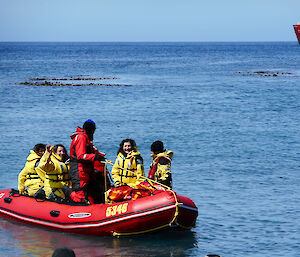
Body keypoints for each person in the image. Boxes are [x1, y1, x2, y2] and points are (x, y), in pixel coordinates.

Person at [68, 119, 106, 204]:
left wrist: (99, 156)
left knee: (88, 189)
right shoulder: (81, 137)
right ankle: (80, 208)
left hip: (84, 170)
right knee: (81, 190)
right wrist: (95, 157)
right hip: (78, 170)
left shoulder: (85, 138)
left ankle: (92, 207)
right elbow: (81, 156)